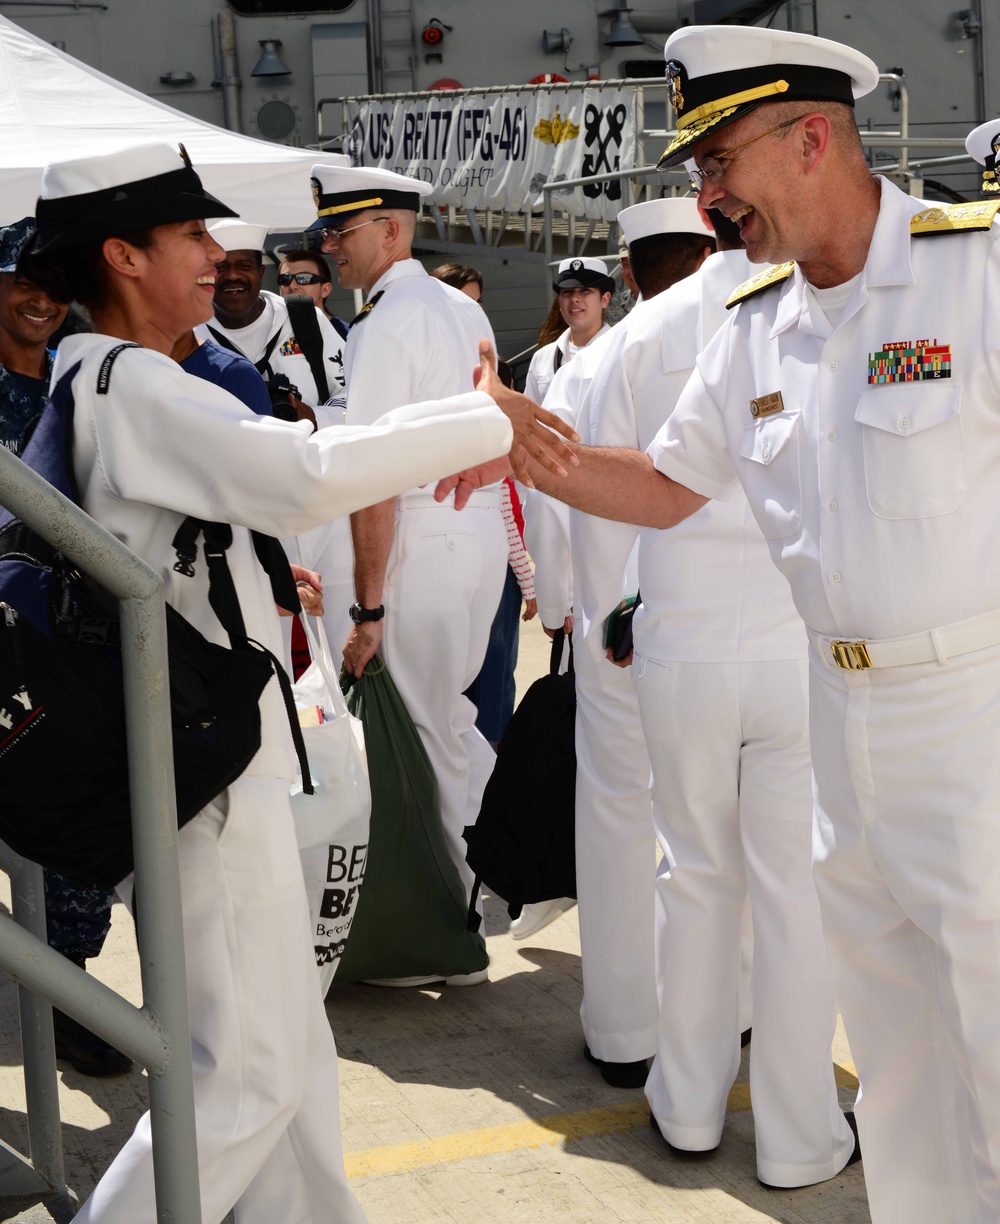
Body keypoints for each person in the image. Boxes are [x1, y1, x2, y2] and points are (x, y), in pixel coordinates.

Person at [450, 20, 1000, 1218]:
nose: (706, 194)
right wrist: (527, 452)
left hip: (971, 715)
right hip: (833, 713)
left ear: (811, 139)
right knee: (901, 1059)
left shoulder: (978, 272)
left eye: (718, 161)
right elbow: (662, 483)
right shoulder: (757, 323)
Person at [23, 138, 569, 1223]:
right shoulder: (130, 383)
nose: (216, 253)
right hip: (202, 781)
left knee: (289, 1054)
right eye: (190, 235)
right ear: (124, 256)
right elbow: (297, 474)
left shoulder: (113, 380)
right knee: (250, 1073)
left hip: (212, 761)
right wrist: (479, 421)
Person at [579, 195, 852, 1184]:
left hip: (679, 637)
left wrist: (609, 610)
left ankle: (687, 1108)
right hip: (792, 635)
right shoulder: (822, 303)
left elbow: (616, 490)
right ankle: (798, 1137)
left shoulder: (640, 330)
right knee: (793, 894)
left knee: (690, 875)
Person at [311, 165, 512, 989]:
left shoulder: (384, 326)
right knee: (452, 724)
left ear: (391, 231)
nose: (329, 248)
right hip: (475, 534)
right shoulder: (459, 306)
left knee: (425, 732)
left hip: (421, 543)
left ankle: (446, 927)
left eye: (342, 232)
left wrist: (367, 605)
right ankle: (472, 901)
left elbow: (371, 480)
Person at [567, 198, 723, 1093]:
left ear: (626, 272)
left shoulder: (610, 354)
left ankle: (625, 1030)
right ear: (709, 248)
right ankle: (728, 1016)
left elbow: (566, 490)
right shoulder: (757, 323)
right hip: (720, 629)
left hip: (612, 626)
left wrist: (565, 600)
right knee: (721, 833)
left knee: (620, 817)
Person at [196, 219, 345, 413]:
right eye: (221, 268)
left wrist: (315, 419)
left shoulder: (304, 318)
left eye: (244, 266)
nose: (233, 276)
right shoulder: (190, 333)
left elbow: (351, 390)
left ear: (261, 272)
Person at [523, 256, 614, 405]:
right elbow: (531, 417)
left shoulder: (620, 351)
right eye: (567, 292)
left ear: (604, 299)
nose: (575, 298)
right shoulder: (542, 359)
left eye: (585, 290)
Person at [278, 247, 350, 340]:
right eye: (285, 279)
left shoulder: (350, 337)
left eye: (304, 278)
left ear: (325, 290)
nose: (292, 286)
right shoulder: (269, 337)